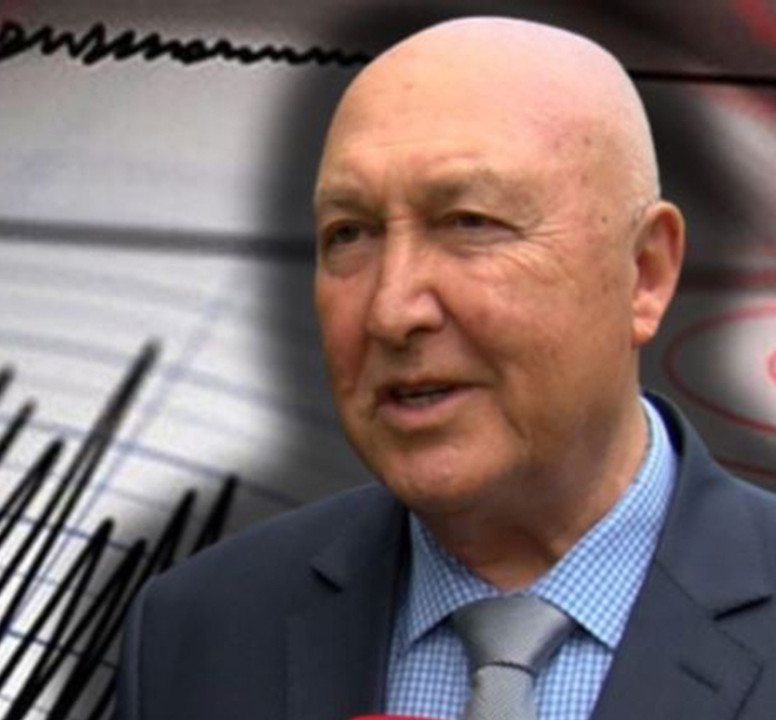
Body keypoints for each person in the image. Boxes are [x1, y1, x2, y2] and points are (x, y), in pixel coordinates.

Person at [113, 16, 776, 720]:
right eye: (349, 234)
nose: (391, 309)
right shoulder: (200, 634)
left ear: (644, 272)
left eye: (469, 222)